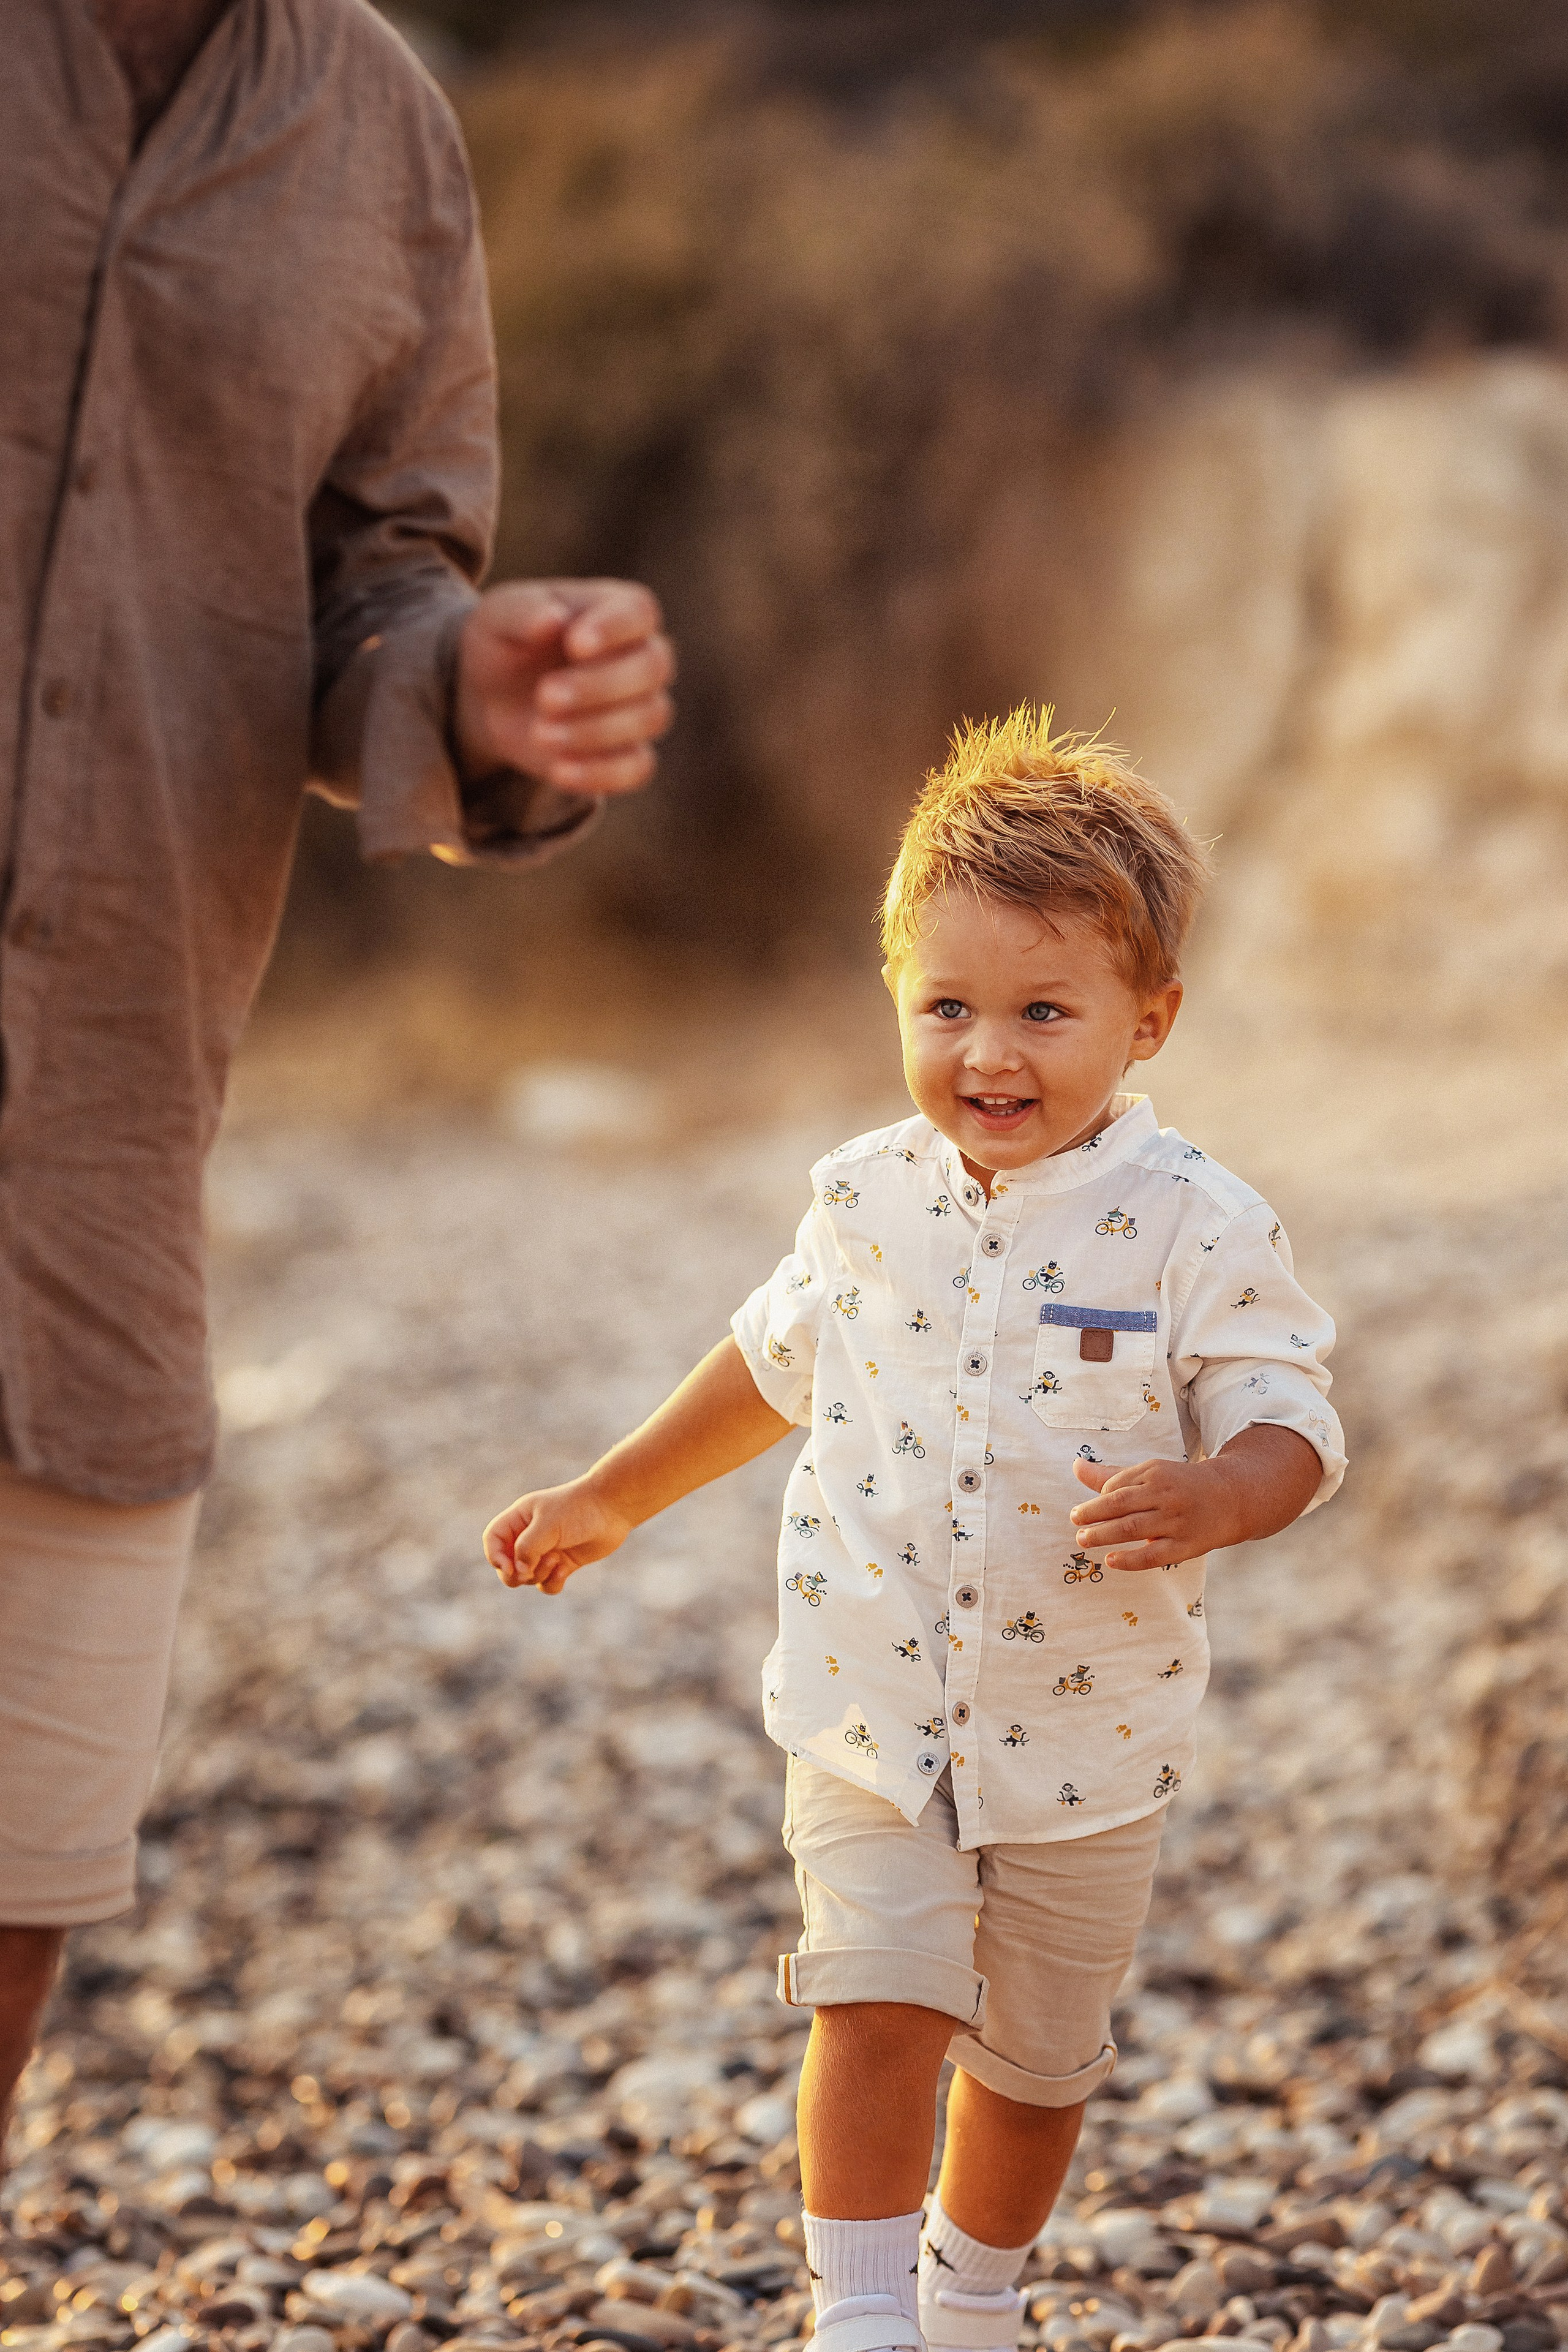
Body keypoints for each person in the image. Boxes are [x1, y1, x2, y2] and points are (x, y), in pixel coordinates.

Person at [0, 0, 675, 2149]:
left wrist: (475, 683)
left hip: (95, 1155)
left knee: (17, 1870)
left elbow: (369, 596)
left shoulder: (376, 125)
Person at [482, 709, 1346, 2352]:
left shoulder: (1197, 1226)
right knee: (874, 1998)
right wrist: (610, 1493)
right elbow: (769, 1364)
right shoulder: (864, 1199)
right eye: (945, 1008)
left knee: (1031, 2071)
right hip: (872, 1702)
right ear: (895, 1000)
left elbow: (1289, 1414)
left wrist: (1222, 1495)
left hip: (1086, 1742)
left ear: (1147, 1020)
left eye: (1043, 1010)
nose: (988, 1055)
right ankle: (861, 2315)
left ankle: (973, 2297)